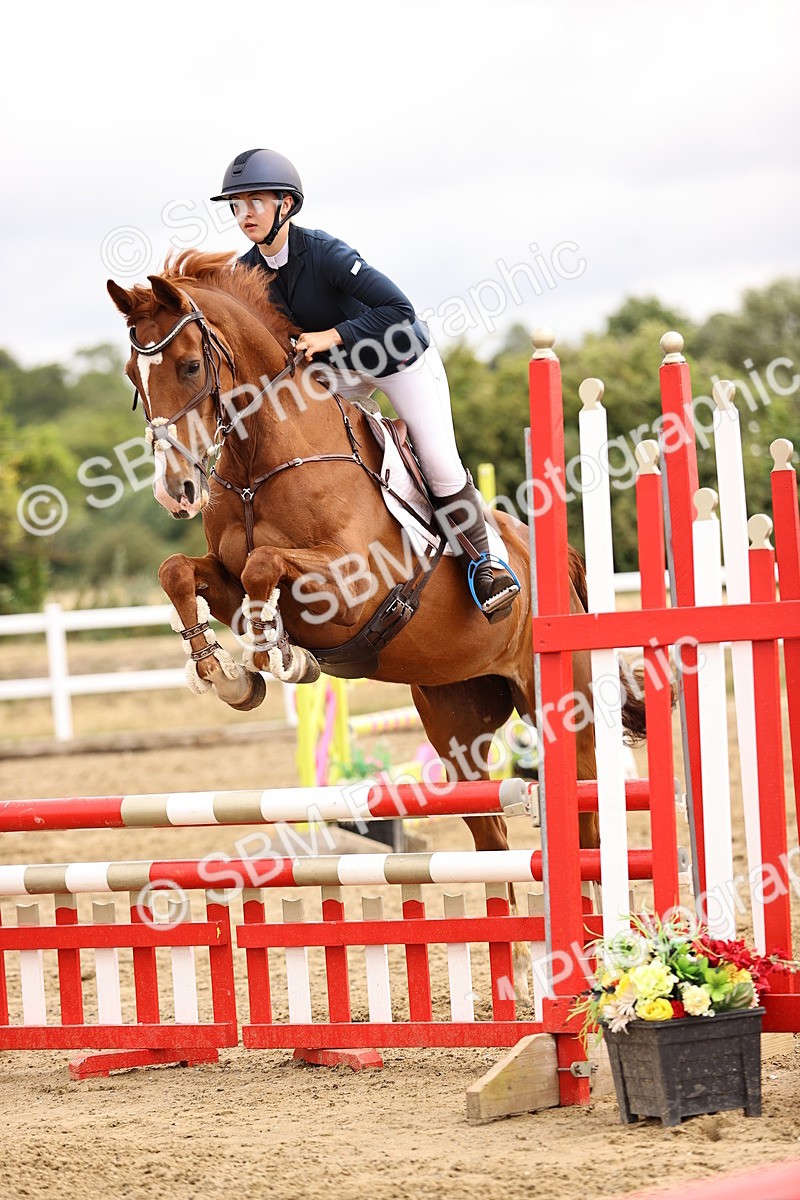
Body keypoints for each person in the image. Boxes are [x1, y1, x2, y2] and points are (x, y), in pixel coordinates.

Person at [211, 148, 519, 622]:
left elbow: (400, 310)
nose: (244, 213)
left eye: (255, 201)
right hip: (334, 372)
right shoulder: (245, 272)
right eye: (237, 204)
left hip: (395, 356)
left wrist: (329, 335)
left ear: (286, 205)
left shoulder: (327, 253)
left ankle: (486, 562)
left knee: (436, 458)